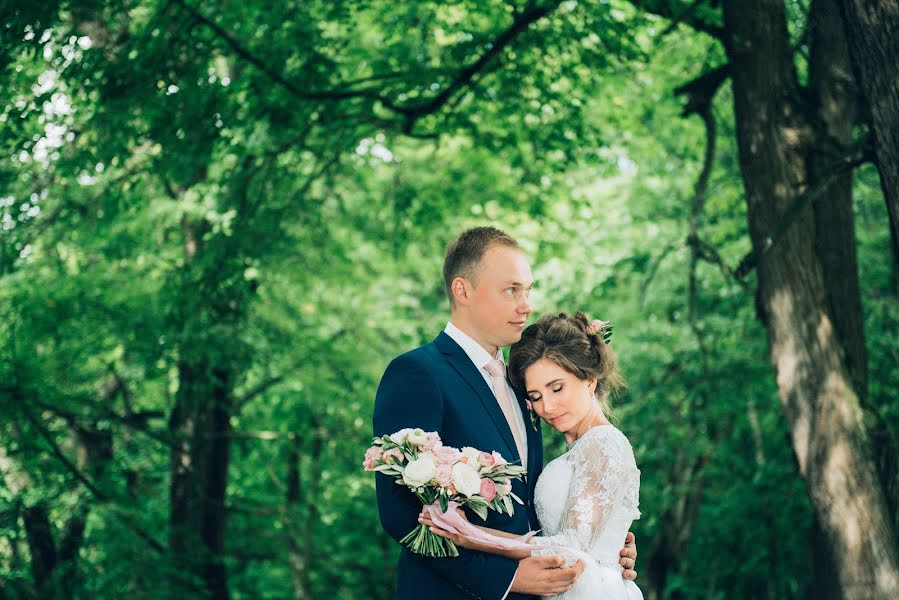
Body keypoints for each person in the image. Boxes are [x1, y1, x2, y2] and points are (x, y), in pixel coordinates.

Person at [373, 227, 637, 599]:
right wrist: (506, 578)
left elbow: (533, 511)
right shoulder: (418, 374)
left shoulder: (524, 383)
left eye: (527, 290)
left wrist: (606, 548)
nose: (526, 304)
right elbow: (401, 513)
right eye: (511, 290)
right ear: (463, 290)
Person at [420, 312, 643, 600]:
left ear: (589, 379)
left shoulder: (605, 444)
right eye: (535, 397)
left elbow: (571, 547)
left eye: (557, 387)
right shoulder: (578, 449)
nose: (547, 407)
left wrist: (474, 535)